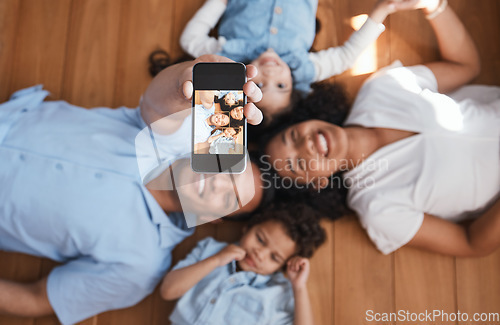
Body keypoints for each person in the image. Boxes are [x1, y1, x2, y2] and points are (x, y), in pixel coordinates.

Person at [0, 55, 266, 324]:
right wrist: (188, 75)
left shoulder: (141, 266)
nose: (217, 181)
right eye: (227, 168)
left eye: (229, 197)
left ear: (216, 219)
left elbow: (37, 298)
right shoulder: (166, 138)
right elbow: (164, 98)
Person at [263, 0, 500, 257]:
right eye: (297, 163)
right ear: (318, 183)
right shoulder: (377, 207)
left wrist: (433, 6)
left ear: (304, 118)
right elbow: (470, 242)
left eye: (294, 135)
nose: (305, 146)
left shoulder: (382, 88)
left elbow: (467, 67)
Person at [180, 0, 409, 123]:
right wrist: (382, 10)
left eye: (259, 86)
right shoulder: (303, 68)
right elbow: (347, 56)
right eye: (281, 86)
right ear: (295, 85)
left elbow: (189, 41)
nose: (270, 75)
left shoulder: (229, 56)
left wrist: (219, 2)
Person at [160, 203, 326, 325]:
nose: (260, 254)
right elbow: (168, 291)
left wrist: (299, 287)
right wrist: (216, 260)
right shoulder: (209, 250)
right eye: (260, 239)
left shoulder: (277, 293)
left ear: (282, 266)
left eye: (274, 258)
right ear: (248, 227)